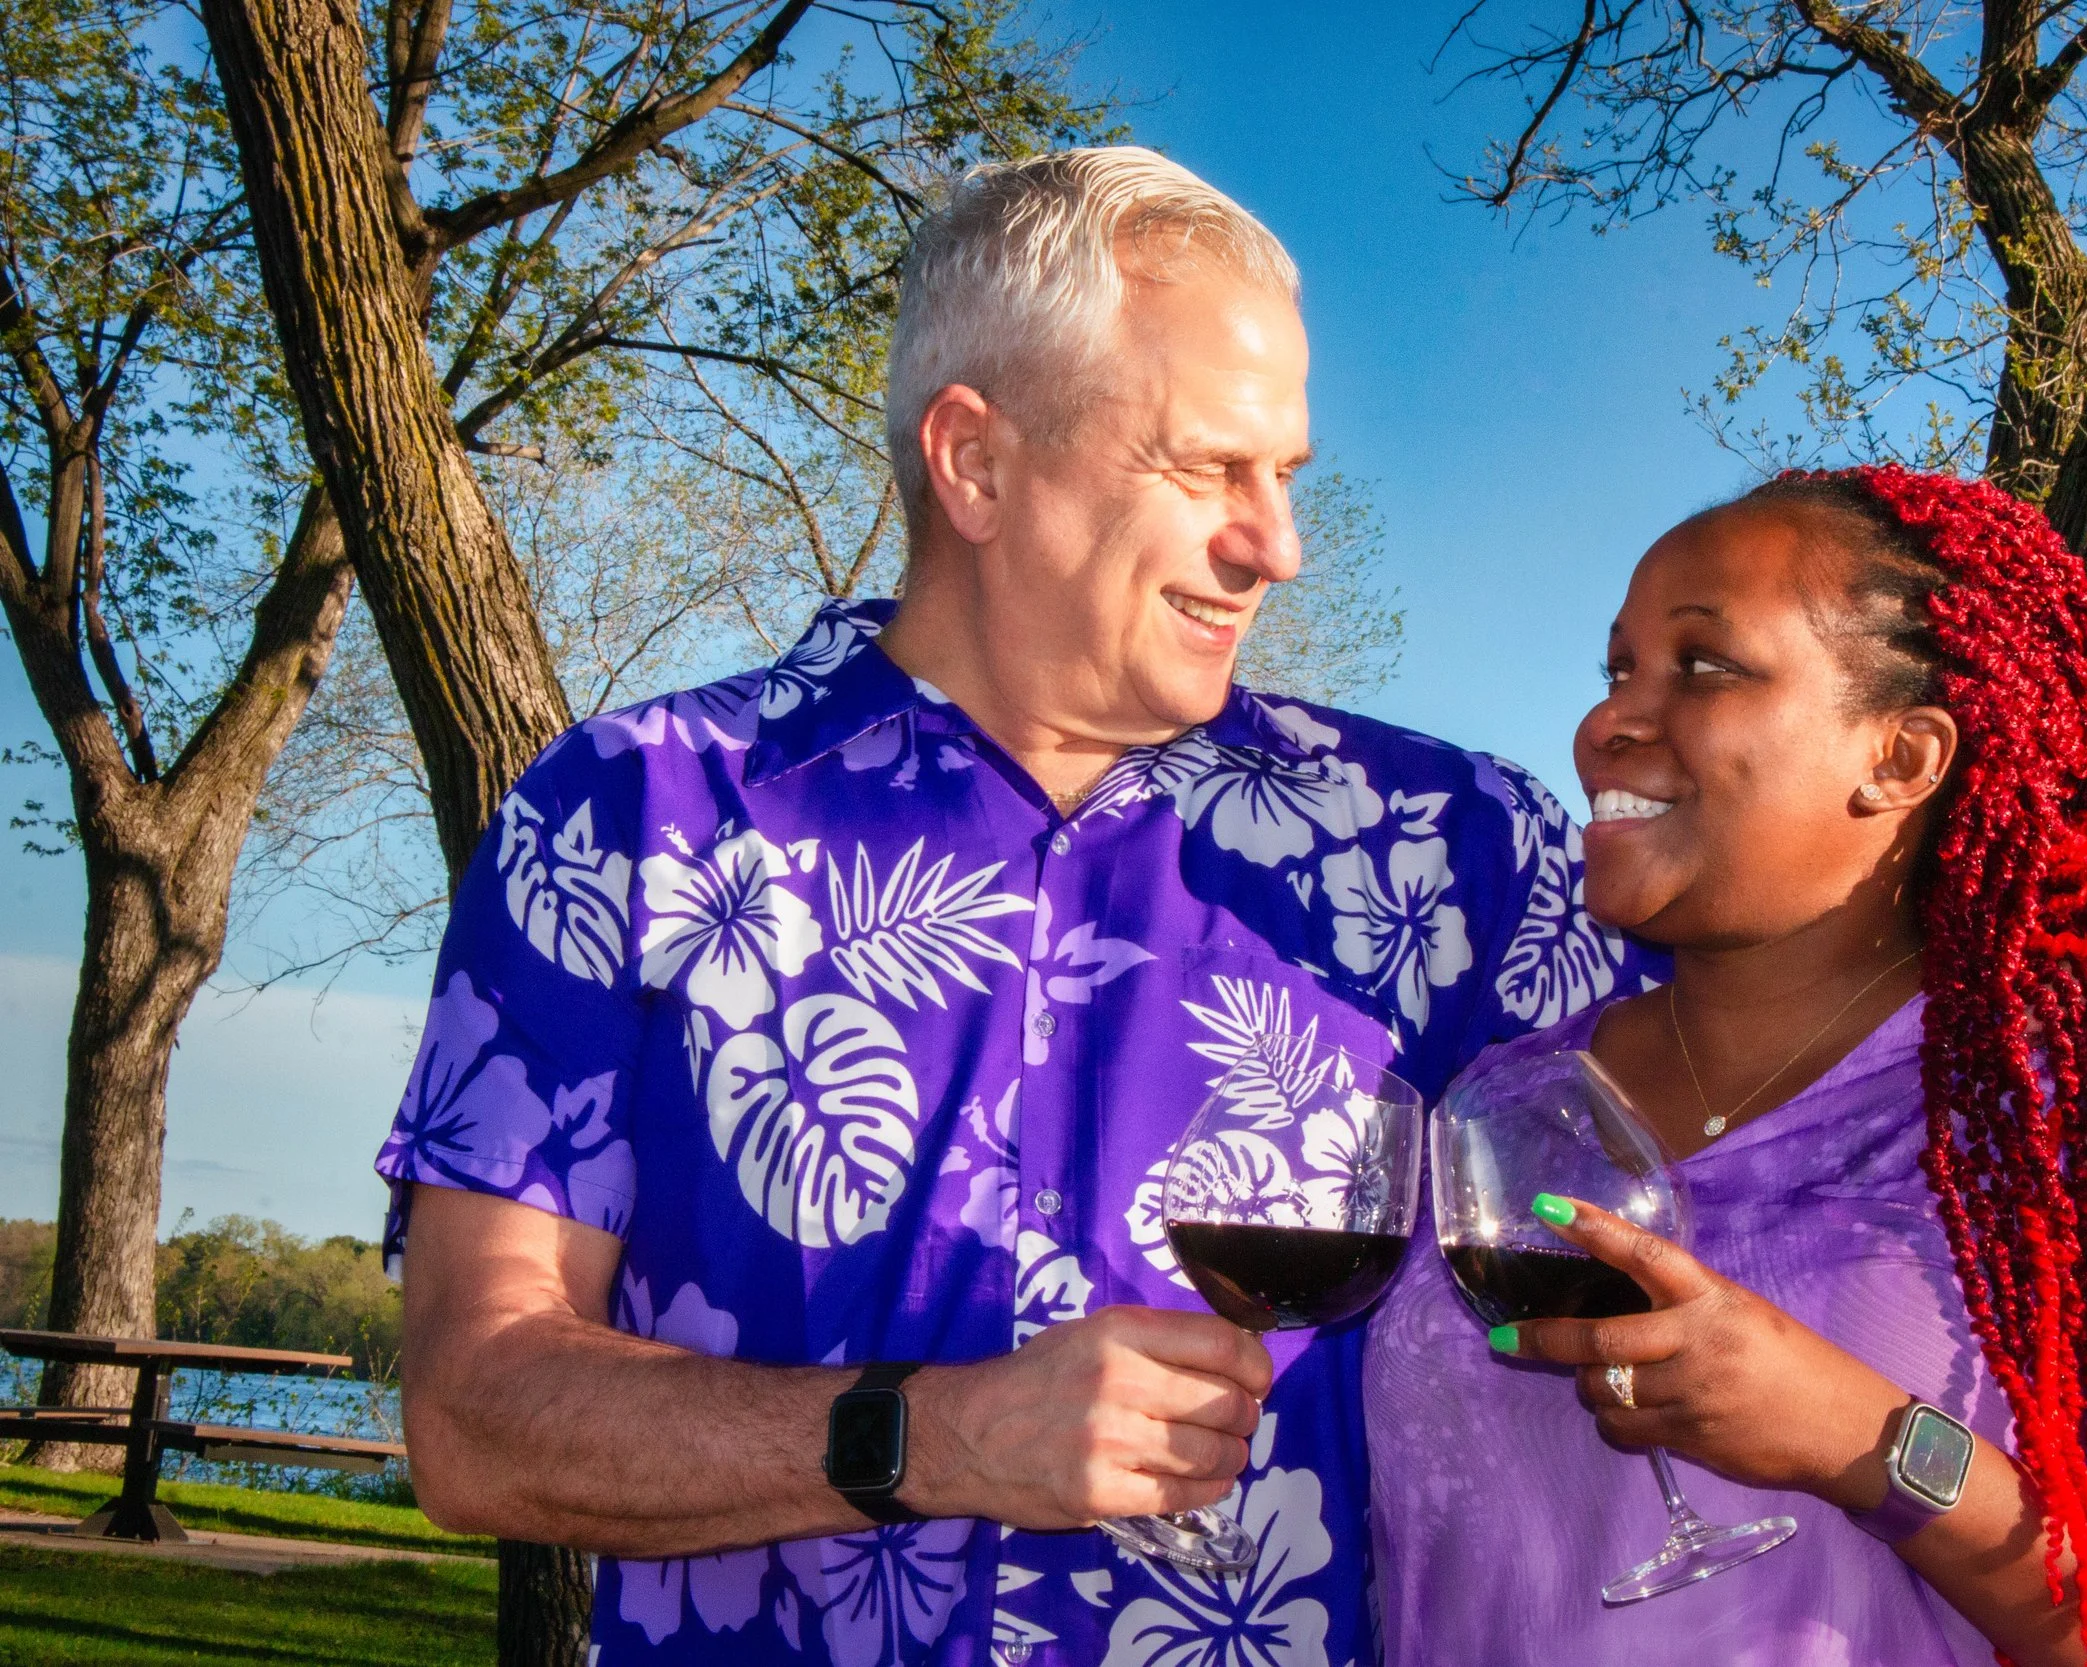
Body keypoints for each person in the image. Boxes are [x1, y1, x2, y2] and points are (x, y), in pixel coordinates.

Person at [376, 146, 1647, 1667]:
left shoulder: (1453, 847)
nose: (1276, 545)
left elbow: (1735, 1189)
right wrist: (939, 1435)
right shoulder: (625, 814)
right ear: (975, 461)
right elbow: (472, 1414)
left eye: (1286, 475)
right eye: (1203, 468)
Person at [1365, 466, 2087, 1667]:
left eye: (1702, 666)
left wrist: (1863, 1437)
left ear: (1901, 756)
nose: (1609, 721)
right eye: (1616, 669)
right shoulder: (1502, 1094)